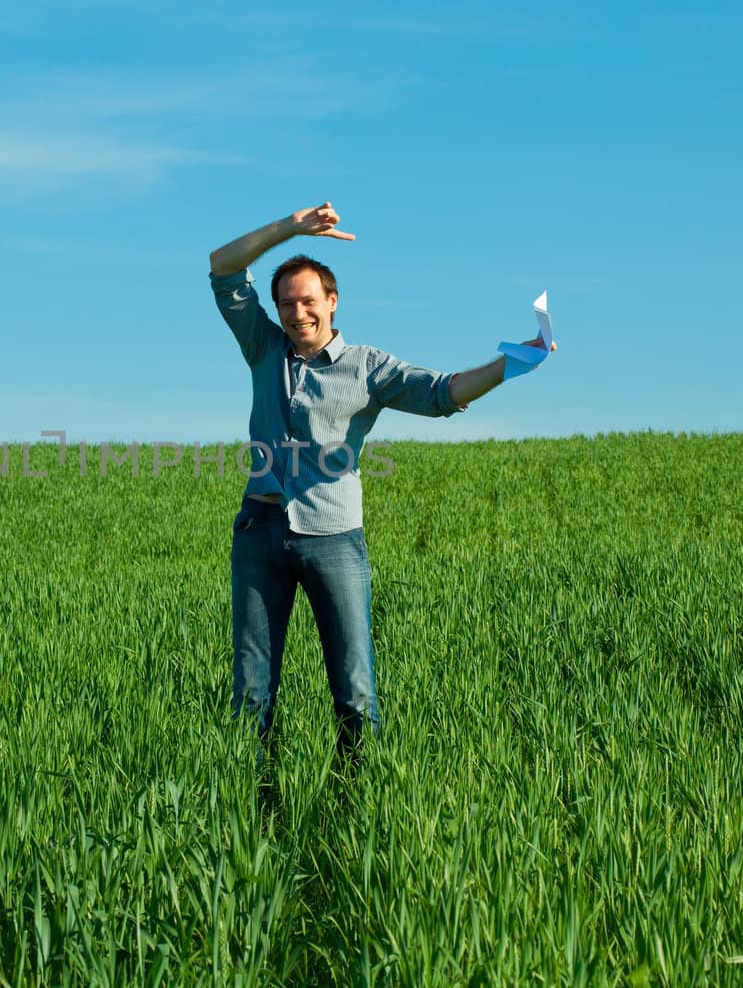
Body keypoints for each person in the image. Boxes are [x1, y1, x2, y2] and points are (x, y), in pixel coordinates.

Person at [208, 202, 554, 774]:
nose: (298, 313)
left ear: (332, 301)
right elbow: (222, 267)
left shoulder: (367, 367)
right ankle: (250, 808)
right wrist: (290, 229)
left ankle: (359, 808)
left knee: (354, 691)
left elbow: (442, 393)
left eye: (308, 301)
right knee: (250, 693)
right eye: (287, 303)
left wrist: (512, 363)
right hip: (259, 530)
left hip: (333, 538)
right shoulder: (263, 347)